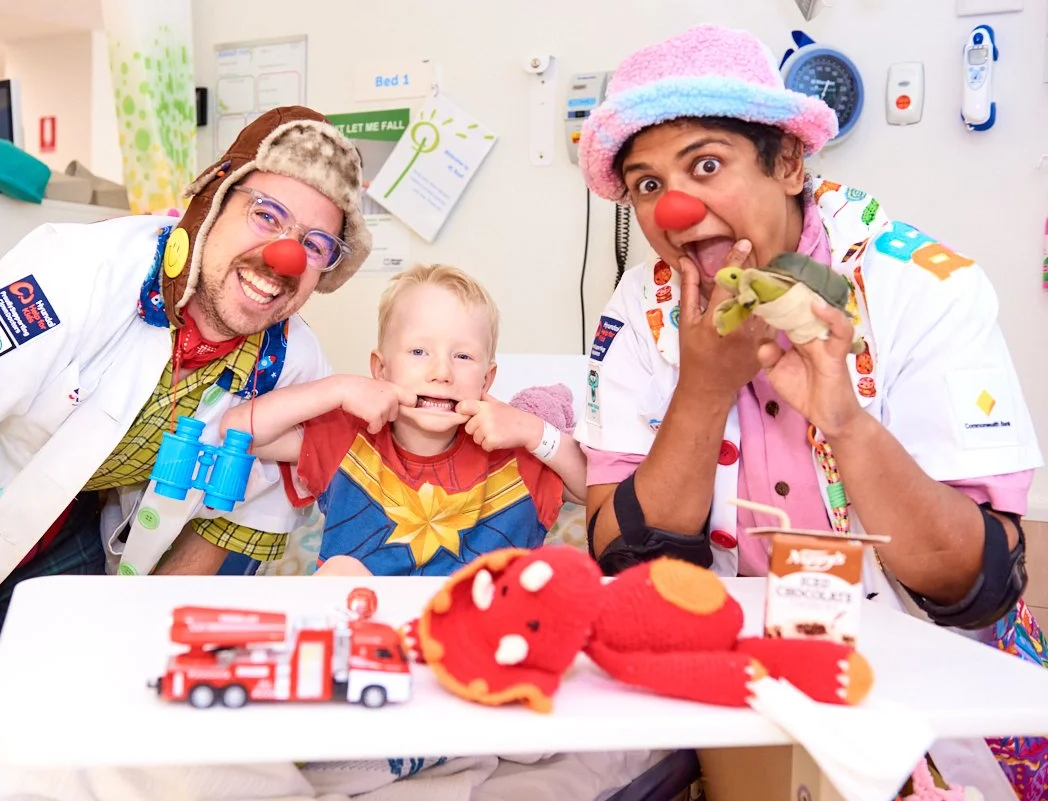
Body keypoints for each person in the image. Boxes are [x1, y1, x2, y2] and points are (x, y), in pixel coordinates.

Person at [575, 24, 1043, 799]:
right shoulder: (639, 309)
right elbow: (627, 565)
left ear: (789, 163)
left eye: (706, 164)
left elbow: (978, 581)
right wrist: (703, 389)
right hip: (741, 677)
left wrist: (849, 426)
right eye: (648, 184)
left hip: (928, 672)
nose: (674, 208)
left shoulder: (925, 286)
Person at [0, 106, 372, 704]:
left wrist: (141, 647)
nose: (285, 257)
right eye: (265, 215)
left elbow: (234, 525)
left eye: (315, 243)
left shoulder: (292, 369)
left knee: (72, 703)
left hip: (41, 531)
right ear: (212, 204)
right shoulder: (82, 275)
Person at [218, 263, 588, 576]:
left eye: (462, 357)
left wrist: (535, 431)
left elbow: (595, 489)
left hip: (486, 640)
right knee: (340, 572)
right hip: (369, 638)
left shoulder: (516, 450)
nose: (441, 371)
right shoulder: (347, 438)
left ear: (486, 380)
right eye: (418, 351)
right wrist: (337, 389)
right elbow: (235, 431)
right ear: (380, 369)